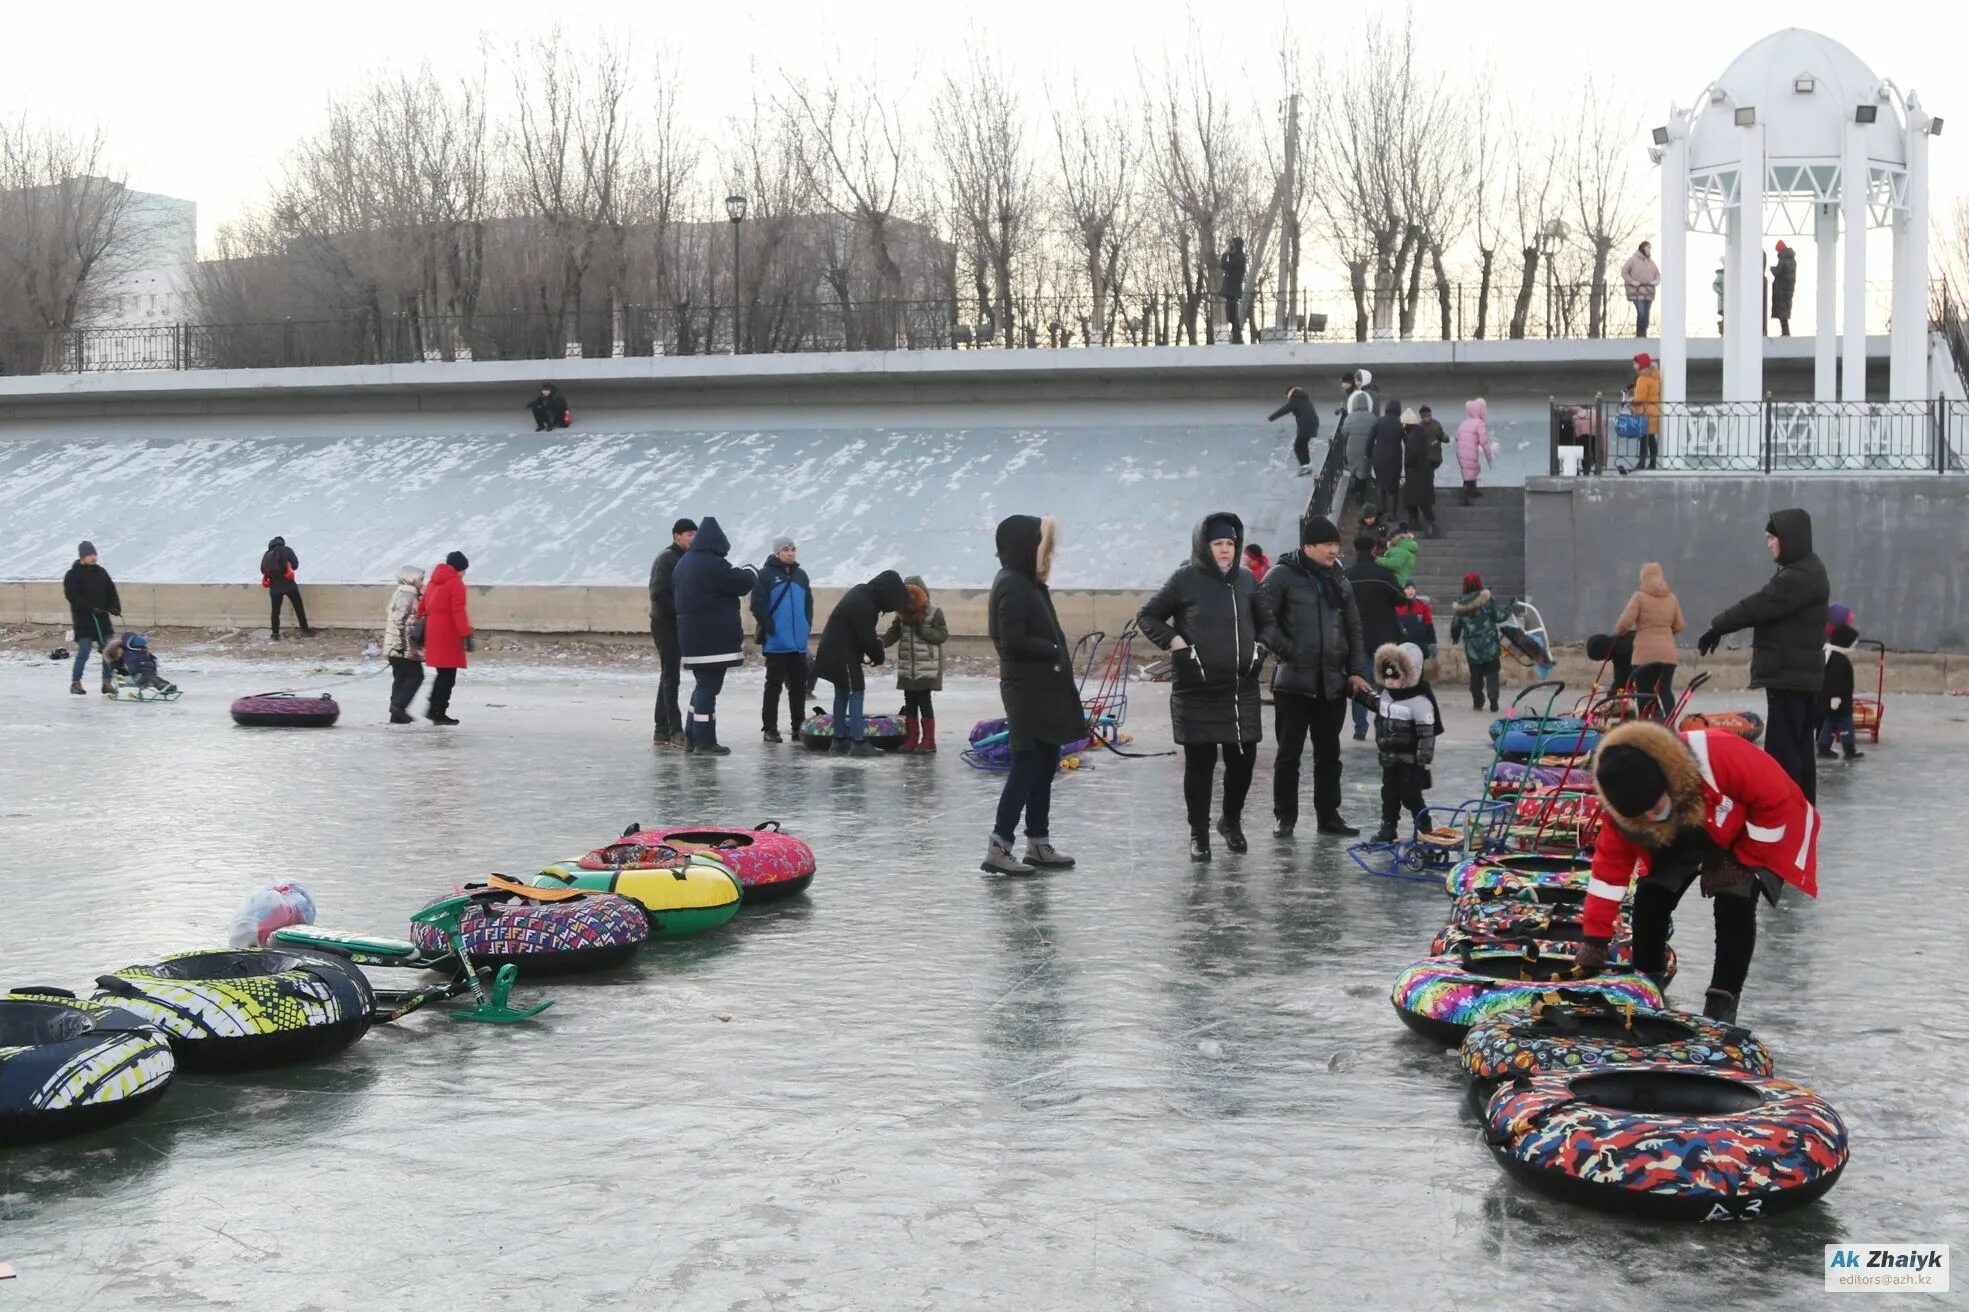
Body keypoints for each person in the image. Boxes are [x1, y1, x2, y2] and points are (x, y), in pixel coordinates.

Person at [1577, 720, 1821, 1024]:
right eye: (1644, 816)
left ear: (1666, 781)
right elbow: (1607, 875)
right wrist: (1595, 940)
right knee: (1652, 895)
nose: (1652, 815)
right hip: (1680, 832)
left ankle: (1722, 1004)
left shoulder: (1717, 753)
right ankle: (1647, 988)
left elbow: (1776, 803)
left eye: (1655, 807)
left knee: (1735, 898)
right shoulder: (1622, 811)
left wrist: (1742, 860)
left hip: (1749, 828)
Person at [1138, 513, 1271, 863]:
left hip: (1240, 689)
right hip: (1197, 688)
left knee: (1243, 762)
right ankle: (1198, 832)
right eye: (1218, 544)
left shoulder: (1246, 580)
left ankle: (1231, 821)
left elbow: (1267, 622)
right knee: (1200, 765)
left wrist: (1261, 648)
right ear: (1204, 546)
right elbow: (1148, 616)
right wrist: (1175, 641)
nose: (1225, 550)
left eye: (1230, 544)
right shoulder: (1185, 579)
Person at [1697, 509, 1829, 803]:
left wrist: (1717, 626)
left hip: (1790, 676)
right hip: (1798, 675)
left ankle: (1785, 814)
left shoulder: (1798, 577)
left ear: (1789, 539)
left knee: (1784, 754)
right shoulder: (1806, 570)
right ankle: (1801, 813)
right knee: (1799, 751)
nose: (1769, 544)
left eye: (1772, 538)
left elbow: (1759, 604)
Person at [1258, 514, 1371, 837]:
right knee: (1288, 755)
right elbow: (1263, 619)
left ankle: (1328, 815)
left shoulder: (1339, 578)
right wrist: (1289, 651)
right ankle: (1286, 817)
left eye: (1336, 544)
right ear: (1308, 546)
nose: (1333, 550)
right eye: (1327, 545)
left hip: (1332, 682)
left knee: (1329, 754)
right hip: (1294, 683)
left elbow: (1354, 628)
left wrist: (1355, 671)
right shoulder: (1281, 576)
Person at [983, 514, 1083, 876]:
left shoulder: (1029, 583)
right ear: (1026, 546)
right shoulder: (1011, 584)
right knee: (1025, 765)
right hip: (1025, 691)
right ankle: (999, 846)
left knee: (1045, 764)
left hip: (1044, 690)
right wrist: (1052, 649)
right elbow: (1010, 641)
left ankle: (1038, 842)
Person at [671, 517, 758, 756]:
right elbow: (741, 583)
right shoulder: (712, 564)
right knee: (709, 688)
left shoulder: (683, 564)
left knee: (702, 686)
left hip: (691, 638)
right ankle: (705, 741)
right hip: (713, 640)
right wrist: (751, 568)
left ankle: (691, 737)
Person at [1349, 642, 1441, 843]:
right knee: (1389, 794)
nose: (1390, 682)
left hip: (1410, 761)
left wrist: (1422, 760)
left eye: (1395, 677)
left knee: (1410, 796)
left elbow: (1427, 734)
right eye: (1387, 676)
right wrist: (1358, 694)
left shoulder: (1420, 702)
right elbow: (1376, 703)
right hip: (1389, 758)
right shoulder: (1387, 695)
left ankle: (1423, 822)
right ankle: (1388, 826)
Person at [813, 570, 910, 757]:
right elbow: (866, 637)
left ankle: (838, 740)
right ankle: (858, 742)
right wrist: (878, 655)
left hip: (832, 652)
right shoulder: (865, 605)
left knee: (842, 693)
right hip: (844, 655)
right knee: (856, 692)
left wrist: (872, 651)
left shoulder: (861, 593)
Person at [751, 536, 813, 744]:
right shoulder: (766, 575)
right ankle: (770, 728)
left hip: (798, 644)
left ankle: (798, 727)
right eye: (786, 549)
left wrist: (806, 626)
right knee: (773, 687)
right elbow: (757, 605)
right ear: (777, 552)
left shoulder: (801, 576)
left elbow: (808, 603)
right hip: (777, 642)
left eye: (793, 549)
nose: (790, 553)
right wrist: (771, 629)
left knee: (798, 688)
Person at [1345, 533, 1404, 740]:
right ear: (1374, 550)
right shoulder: (1385, 575)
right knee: (1386, 685)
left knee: (1359, 684)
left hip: (1357, 641)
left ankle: (1360, 729)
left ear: (1354, 550)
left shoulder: (1346, 576)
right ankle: (1381, 724)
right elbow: (1402, 600)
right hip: (1384, 642)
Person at [884, 575, 949, 753]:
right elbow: (893, 633)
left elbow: (942, 635)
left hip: (926, 666)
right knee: (909, 701)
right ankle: (912, 738)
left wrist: (923, 630)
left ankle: (929, 740)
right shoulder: (901, 614)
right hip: (907, 666)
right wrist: (880, 643)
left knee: (924, 701)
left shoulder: (935, 612)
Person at [1612, 562, 1685, 720]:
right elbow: (1679, 625)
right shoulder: (1672, 598)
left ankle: (1647, 721)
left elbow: (1625, 623)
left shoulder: (1639, 597)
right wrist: (1665, 633)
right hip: (1667, 655)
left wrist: (1619, 633)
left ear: (1643, 578)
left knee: (1644, 690)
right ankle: (1670, 722)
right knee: (1664, 690)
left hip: (1644, 654)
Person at [648, 519, 696, 747]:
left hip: (678, 624)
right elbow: (658, 593)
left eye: (695, 534)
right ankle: (674, 729)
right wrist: (681, 613)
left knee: (668, 675)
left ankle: (661, 729)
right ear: (676, 536)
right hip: (665, 624)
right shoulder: (667, 558)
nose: (693, 538)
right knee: (671, 676)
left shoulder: (686, 559)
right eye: (688, 534)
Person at [416, 551, 474, 726]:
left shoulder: (434, 582)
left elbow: (422, 607)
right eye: (464, 569)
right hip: (448, 633)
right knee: (447, 675)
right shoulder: (455, 584)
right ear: (459, 568)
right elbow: (458, 611)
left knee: (443, 673)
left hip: (434, 632)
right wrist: (466, 633)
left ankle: (434, 708)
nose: (464, 573)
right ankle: (437, 711)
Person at [63, 541, 121, 696]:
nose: (93, 557)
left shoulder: (101, 572)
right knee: (84, 651)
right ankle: (76, 683)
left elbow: (111, 591)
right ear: (82, 556)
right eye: (89, 555)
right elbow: (73, 597)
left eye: (94, 554)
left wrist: (115, 607)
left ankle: (106, 682)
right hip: (85, 621)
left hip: (102, 619)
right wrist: (89, 609)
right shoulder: (72, 575)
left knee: (110, 651)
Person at [1450, 572, 1514, 713]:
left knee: (1476, 675)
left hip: (1473, 647)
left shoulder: (1460, 604)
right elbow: (1499, 616)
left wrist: (1455, 639)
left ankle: (1478, 702)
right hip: (1490, 643)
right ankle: (1493, 698)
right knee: (1492, 672)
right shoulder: (1487, 599)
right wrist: (1511, 607)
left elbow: (1455, 626)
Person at [382, 566, 426, 724]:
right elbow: (399, 620)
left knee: (401, 678)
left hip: (399, 646)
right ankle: (398, 707)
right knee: (416, 676)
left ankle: (396, 714)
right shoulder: (407, 594)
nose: (422, 583)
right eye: (420, 579)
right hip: (404, 646)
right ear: (412, 578)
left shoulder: (403, 593)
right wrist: (399, 644)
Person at [1817, 623, 1864, 762]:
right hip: (1839, 701)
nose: (1854, 645)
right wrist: (1835, 697)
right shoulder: (1838, 660)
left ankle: (1824, 747)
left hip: (1834, 701)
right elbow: (1834, 680)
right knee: (1846, 724)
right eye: (1853, 643)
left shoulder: (1835, 657)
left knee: (1830, 724)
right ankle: (1849, 750)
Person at [260, 536, 312, 640]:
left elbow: (262, 570)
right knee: (298, 607)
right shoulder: (287, 550)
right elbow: (295, 565)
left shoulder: (266, 554)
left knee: (275, 611)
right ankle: (305, 629)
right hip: (289, 585)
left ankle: (275, 633)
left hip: (274, 588)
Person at [1399, 407, 1439, 539]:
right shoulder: (1421, 433)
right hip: (1424, 471)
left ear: (1406, 424)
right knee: (1424, 502)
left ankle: (1417, 522)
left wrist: (1408, 464)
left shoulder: (1412, 437)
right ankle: (1430, 524)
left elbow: (1412, 455)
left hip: (1415, 472)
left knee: (1411, 498)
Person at [1269, 387, 1322, 476]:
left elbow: (1284, 410)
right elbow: (1301, 409)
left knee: (1298, 446)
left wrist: (1270, 418)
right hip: (1312, 424)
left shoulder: (1295, 399)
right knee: (1303, 444)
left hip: (1306, 426)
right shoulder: (1303, 397)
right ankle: (1307, 465)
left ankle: (1305, 466)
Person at [1340, 389, 1379, 508]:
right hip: (1367, 448)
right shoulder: (1372, 417)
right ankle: (1361, 495)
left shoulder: (1350, 417)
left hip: (1351, 448)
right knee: (1363, 471)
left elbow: (1344, 432)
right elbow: (1377, 432)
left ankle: (1356, 489)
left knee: (1355, 470)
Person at [1369, 398, 1405, 523]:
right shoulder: (1400, 424)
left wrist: (1368, 454)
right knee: (1394, 485)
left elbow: (1370, 439)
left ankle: (1382, 509)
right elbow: (1406, 440)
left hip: (1379, 455)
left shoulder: (1379, 422)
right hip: (1395, 456)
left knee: (1380, 483)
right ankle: (1393, 513)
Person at [1454, 399, 1495, 505]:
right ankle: (1464, 499)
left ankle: (1473, 491)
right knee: (1469, 474)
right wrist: (1489, 458)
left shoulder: (1464, 423)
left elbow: (1456, 436)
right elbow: (1484, 442)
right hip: (1469, 452)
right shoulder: (1480, 423)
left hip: (1460, 451)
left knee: (1473, 469)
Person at [1621, 240, 1660, 337]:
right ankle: (1640, 334)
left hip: (1649, 292)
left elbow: (1657, 274)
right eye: (1648, 248)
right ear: (1643, 248)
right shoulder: (1633, 260)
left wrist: (1655, 281)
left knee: (1646, 314)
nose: (1649, 250)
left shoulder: (1651, 262)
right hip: (1637, 292)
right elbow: (1624, 272)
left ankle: (1643, 333)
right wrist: (1632, 282)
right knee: (1641, 313)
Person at [1630, 353, 1662, 470]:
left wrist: (1631, 400)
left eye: (1635, 363)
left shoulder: (1642, 379)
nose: (1634, 366)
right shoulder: (1655, 377)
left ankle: (1641, 462)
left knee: (1644, 438)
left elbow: (1640, 398)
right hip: (1654, 411)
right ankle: (1652, 463)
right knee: (1651, 439)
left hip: (1645, 412)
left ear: (1641, 364)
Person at [1396, 582, 1437, 665]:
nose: (1411, 591)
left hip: (1419, 645)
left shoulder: (1422, 606)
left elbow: (1428, 624)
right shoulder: (1397, 607)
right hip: (1403, 645)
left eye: (1412, 588)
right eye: (1407, 588)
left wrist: (1432, 642)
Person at [1219, 237, 1247, 344]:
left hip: (1233, 291)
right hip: (1231, 291)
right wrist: (1230, 253)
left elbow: (1225, 265)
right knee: (1231, 315)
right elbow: (1230, 263)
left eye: (1233, 245)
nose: (1231, 247)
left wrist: (1225, 254)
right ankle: (1236, 335)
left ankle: (1237, 336)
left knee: (1232, 314)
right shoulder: (1237, 257)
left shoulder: (1240, 258)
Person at [1771, 241, 1796, 336]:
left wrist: (1772, 269)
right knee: (1784, 310)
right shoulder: (1792, 260)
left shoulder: (1783, 260)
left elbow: (1778, 272)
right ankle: (1785, 331)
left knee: (1781, 311)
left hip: (1781, 289)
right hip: (1789, 289)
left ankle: (1785, 332)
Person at [1713, 261, 1726, 333]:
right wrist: (1722, 292)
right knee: (1725, 313)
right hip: (1724, 299)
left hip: (1732, 301)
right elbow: (1715, 285)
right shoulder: (1722, 275)